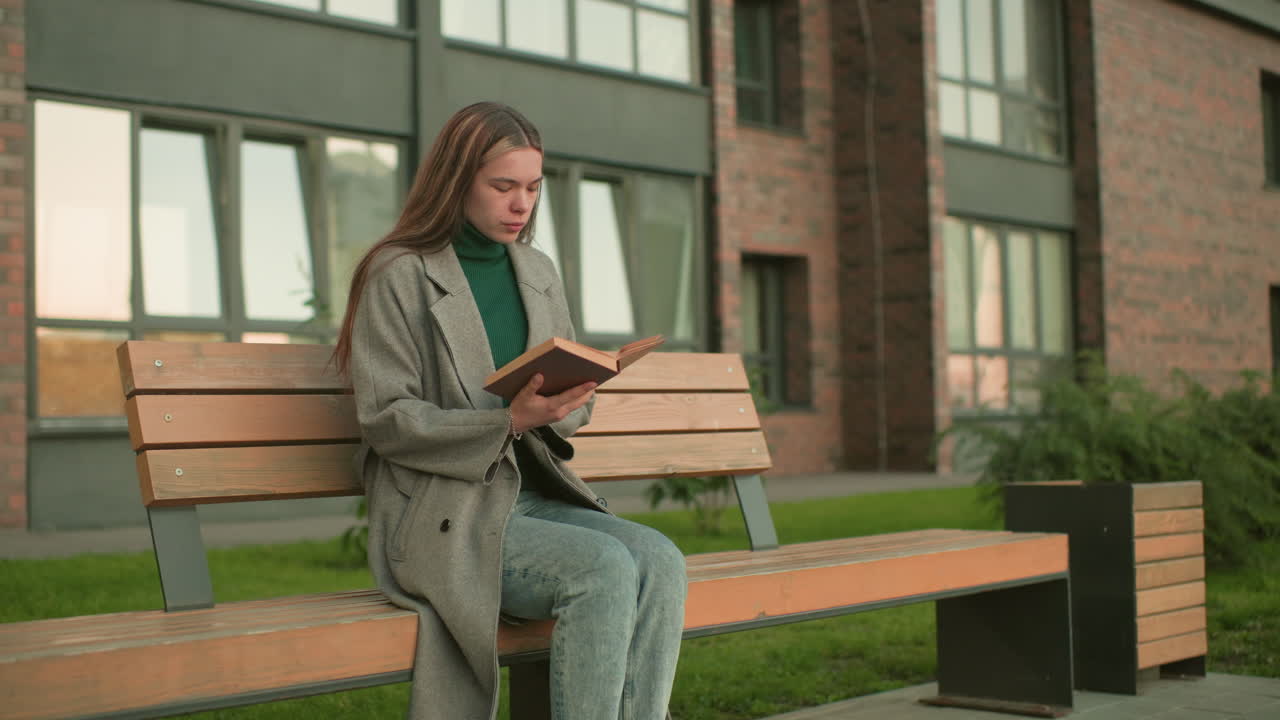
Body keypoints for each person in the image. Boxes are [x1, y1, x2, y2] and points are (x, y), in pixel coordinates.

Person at [332, 101, 687, 720]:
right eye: (503, 187)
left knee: (661, 559)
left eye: (531, 188)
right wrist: (509, 421)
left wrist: (568, 400)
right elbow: (387, 419)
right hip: (441, 512)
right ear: (457, 180)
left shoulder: (537, 269)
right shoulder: (398, 273)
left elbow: (567, 413)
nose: (521, 205)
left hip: (531, 495)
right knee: (601, 568)